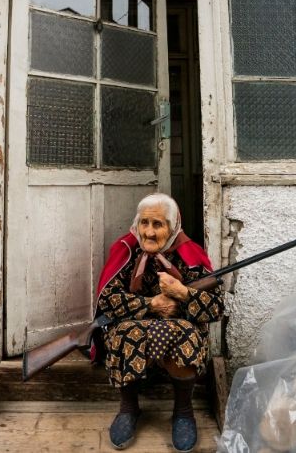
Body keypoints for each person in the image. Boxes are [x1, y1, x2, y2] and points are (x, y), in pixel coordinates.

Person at [92, 193, 224, 452]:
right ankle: (129, 409)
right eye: (144, 223)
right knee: (124, 333)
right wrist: (150, 304)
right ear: (136, 224)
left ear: (173, 227)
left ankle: (184, 412)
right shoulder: (126, 252)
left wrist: (183, 293)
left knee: (184, 333)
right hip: (133, 329)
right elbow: (107, 301)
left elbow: (216, 308)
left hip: (178, 330)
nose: (149, 233)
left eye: (158, 225)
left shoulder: (189, 254)